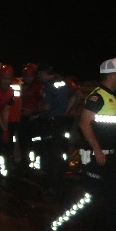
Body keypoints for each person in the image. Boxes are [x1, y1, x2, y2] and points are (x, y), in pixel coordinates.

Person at [49, 58, 116, 231]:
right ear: (111, 75)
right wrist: (98, 150)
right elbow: (84, 124)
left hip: (109, 157)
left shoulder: (109, 97)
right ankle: (57, 228)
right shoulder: (97, 97)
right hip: (97, 157)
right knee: (86, 199)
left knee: (113, 198)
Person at [37, 65, 80, 197]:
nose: (38, 77)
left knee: (52, 155)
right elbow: (77, 95)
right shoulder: (64, 83)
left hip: (52, 123)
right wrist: (67, 110)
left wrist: (35, 111)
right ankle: (60, 183)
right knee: (61, 153)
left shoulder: (49, 85)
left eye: (39, 74)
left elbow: (46, 107)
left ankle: (52, 186)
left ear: (44, 73)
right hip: (63, 122)